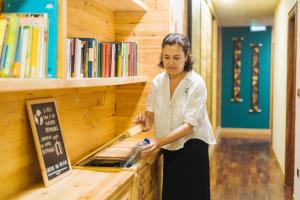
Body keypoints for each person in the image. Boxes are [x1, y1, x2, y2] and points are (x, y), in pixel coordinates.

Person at [134, 33, 216, 200]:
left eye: (176, 58)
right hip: (169, 146)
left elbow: (189, 126)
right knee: (172, 194)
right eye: (166, 57)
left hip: (193, 145)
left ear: (186, 57)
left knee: (193, 195)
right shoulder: (158, 82)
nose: (170, 63)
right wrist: (145, 122)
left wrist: (157, 141)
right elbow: (150, 118)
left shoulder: (196, 83)